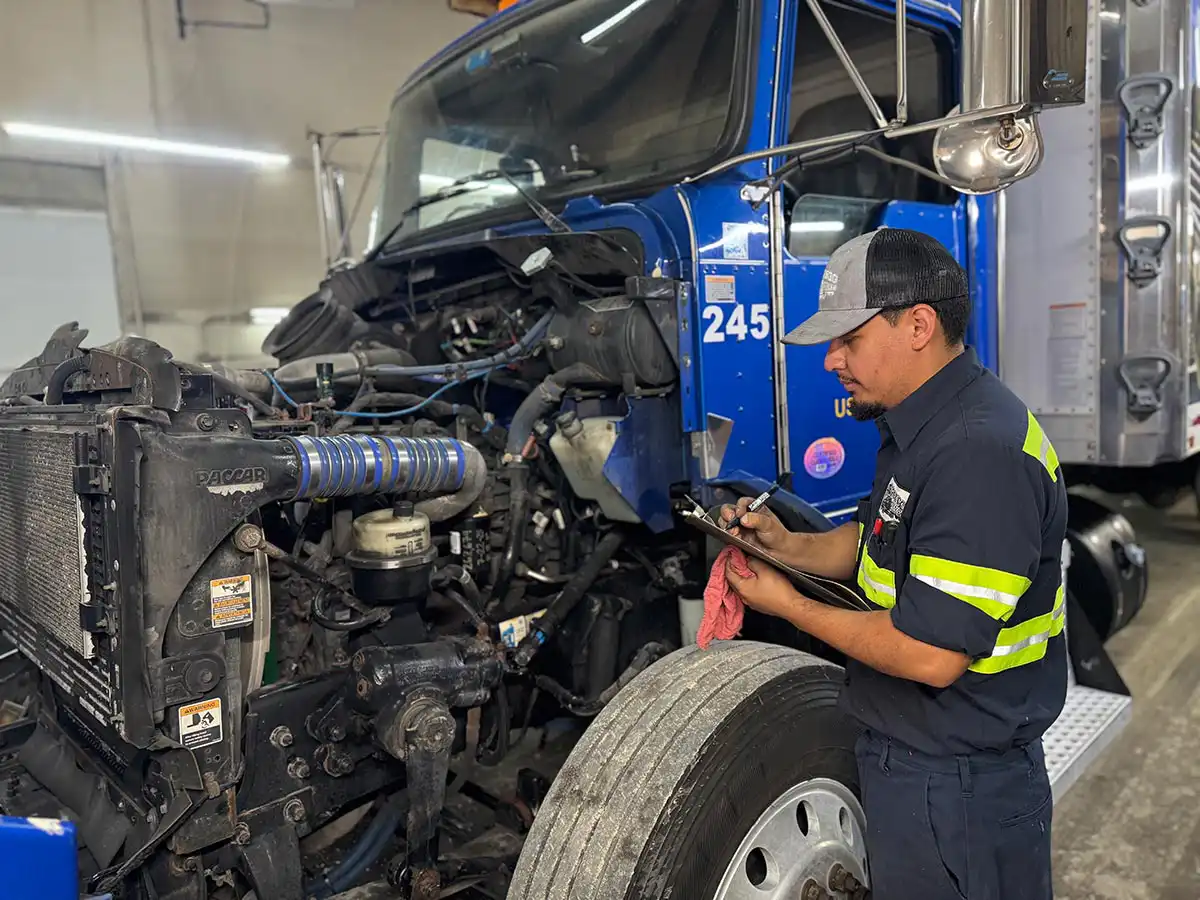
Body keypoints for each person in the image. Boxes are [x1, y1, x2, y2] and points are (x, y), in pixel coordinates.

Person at [721, 227, 1066, 900]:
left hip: (960, 789)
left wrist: (789, 606)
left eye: (848, 339)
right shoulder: (920, 425)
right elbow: (872, 543)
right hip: (917, 759)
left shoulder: (978, 454)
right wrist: (781, 547)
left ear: (919, 325)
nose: (830, 361)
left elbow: (931, 655)